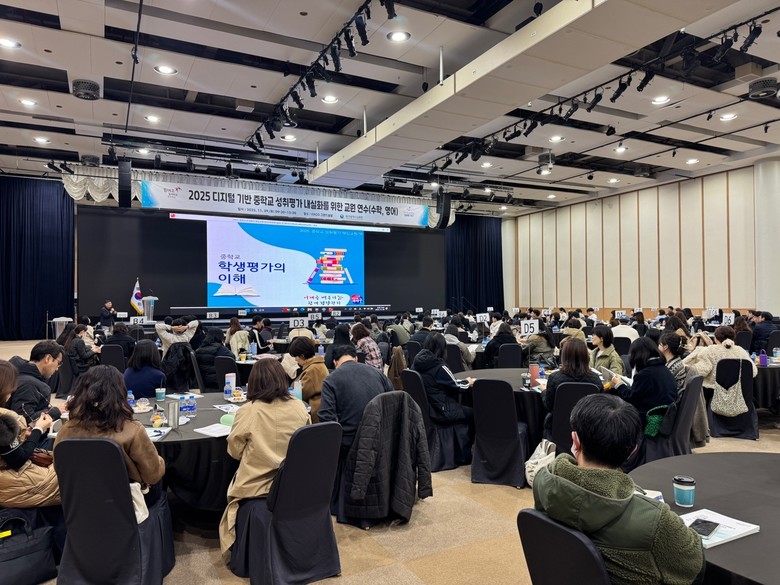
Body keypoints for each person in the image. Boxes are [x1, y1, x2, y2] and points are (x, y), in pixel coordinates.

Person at [533, 393, 705, 585]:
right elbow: (694, 566)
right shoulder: (656, 520)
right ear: (632, 451)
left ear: (575, 441)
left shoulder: (543, 482)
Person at [218, 359, 310, 558]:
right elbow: (307, 442)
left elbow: (234, 451)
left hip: (257, 485)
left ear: (253, 382)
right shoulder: (299, 407)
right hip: (295, 482)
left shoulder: (249, 410)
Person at [55, 366, 165, 504]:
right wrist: (160, 460)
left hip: (80, 500)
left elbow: (60, 469)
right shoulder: (132, 430)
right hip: (126, 501)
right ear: (120, 393)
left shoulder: (66, 430)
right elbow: (152, 476)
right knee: (159, 483)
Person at [0, 360, 60, 507]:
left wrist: (20, 435)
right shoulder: (4, 421)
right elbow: (18, 460)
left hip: (8, 479)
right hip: (10, 483)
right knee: (71, 473)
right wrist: (38, 430)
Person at [318, 344, 394, 450]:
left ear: (335, 362)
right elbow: (393, 403)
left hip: (348, 445)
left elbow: (326, 418)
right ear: (356, 358)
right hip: (380, 440)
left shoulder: (330, 380)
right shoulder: (378, 374)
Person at [541, 339, 602, 437]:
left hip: (557, 427)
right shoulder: (595, 380)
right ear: (585, 356)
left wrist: (544, 391)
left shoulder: (555, 378)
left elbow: (549, 406)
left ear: (564, 356)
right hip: (588, 430)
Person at [412, 333, 474, 428]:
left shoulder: (416, 363)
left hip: (427, 409)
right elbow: (456, 387)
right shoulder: (439, 367)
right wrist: (468, 382)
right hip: (442, 410)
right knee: (476, 412)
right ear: (442, 348)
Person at [609, 337, 677, 421]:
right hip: (663, 416)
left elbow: (631, 399)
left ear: (637, 354)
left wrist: (619, 384)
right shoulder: (663, 369)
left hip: (647, 417)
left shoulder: (646, 374)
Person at [8, 341, 67, 424]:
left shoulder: (17, 372)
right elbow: (24, 421)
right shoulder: (29, 385)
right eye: (58, 363)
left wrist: (46, 409)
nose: (57, 369)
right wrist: (56, 411)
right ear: (48, 359)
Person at [684, 326, 757, 392]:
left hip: (713, 392)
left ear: (715, 338)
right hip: (737, 393)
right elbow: (753, 372)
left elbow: (702, 371)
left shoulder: (709, 350)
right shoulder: (741, 351)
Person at [288, 336, 328, 422]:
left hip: (315, 414)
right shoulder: (317, 365)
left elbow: (300, 394)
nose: (295, 360)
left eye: (296, 357)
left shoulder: (312, 370)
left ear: (302, 356)